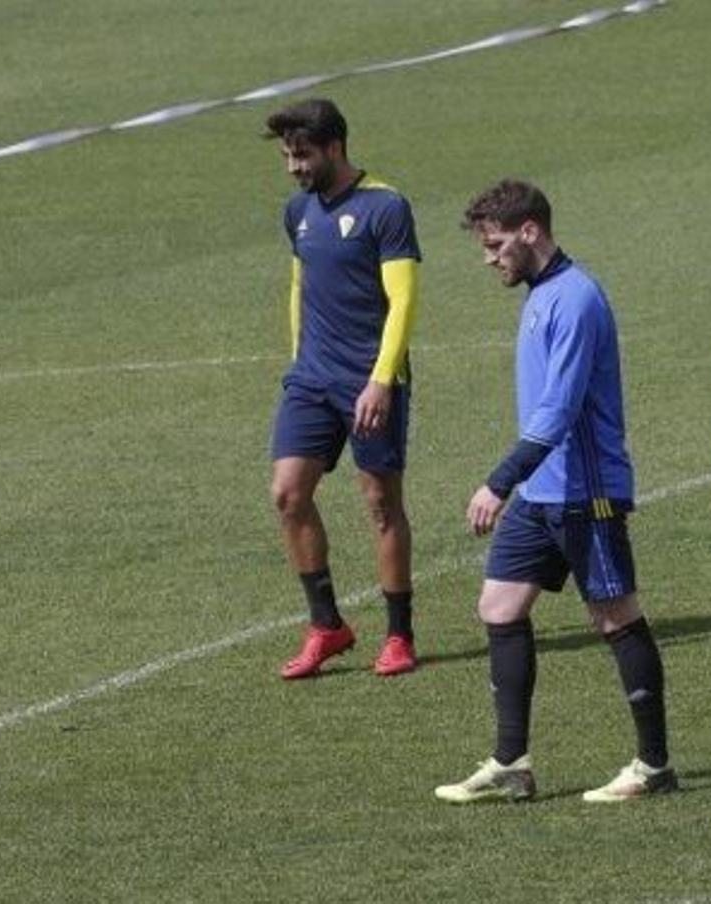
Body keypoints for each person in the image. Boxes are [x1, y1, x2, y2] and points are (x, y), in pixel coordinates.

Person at [435, 179, 675, 806]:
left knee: (616, 617)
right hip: (544, 493)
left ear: (530, 231)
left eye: (495, 245)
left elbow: (560, 410)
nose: (489, 258)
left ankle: (654, 765)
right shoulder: (543, 294)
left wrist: (499, 481)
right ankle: (511, 763)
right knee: (499, 607)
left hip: (585, 493)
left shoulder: (576, 298)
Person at [264, 98, 422, 679]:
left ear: (335, 148)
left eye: (302, 155)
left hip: (369, 380)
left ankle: (399, 635)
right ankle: (327, 625)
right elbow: (300, 284)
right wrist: (298, 360)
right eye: (287, 157)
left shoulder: (386, 206)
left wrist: (381, 380)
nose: (294, 168)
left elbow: (403, 299)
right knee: (288, 494)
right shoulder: (298, 211)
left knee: (381, 504)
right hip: (311, 379)